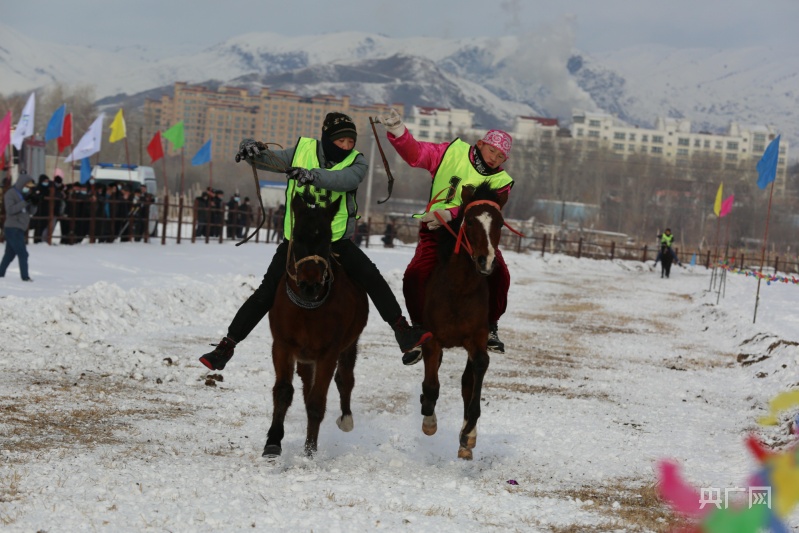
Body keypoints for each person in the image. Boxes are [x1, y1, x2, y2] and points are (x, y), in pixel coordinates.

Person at [199, 112, 431, 371]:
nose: (346, 147)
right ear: (327, 139)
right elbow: (267, 161)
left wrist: (312, 175)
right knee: (265, 293)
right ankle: (226, 346)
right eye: (341, 141)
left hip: (335, 241)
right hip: (296, 243)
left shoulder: (358, 162)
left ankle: (402, 331)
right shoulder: (301, 150)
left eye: (350, 142)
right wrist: (249, 146)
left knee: (372, 277)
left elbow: (344, 181)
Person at [379, 107, 514, 363]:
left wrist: (452, 213)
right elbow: (416, 154)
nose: (495, 158)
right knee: (415, 274)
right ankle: (419, 330)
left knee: (501, 273)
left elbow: (489, 209)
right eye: (492, 150)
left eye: (501, 155)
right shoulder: (449, 153)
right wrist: (398, 131)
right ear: (480, 143)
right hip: (436, 230)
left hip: (474, 234)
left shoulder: (501, 180)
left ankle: (491, 326)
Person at [0, 174, 37, 281]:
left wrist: (34, 203)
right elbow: (10, 210)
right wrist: (25, 202)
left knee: (9, 255)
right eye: (27, 186)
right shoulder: (10, 194)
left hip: (20, 228)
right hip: (13, 228)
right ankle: (25, 277)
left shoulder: (25, 194)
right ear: (22, 184)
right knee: (23, 254)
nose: (28, 189)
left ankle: (0, 274)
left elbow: (31, 212)